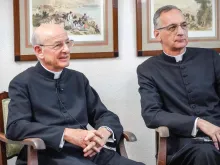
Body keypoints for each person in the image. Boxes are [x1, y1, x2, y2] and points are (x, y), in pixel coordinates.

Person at [6, 24, 144, 165]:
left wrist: (103, 132)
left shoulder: (78, 79)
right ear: (39, 50)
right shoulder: (22, 83)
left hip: (88, 151)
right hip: (48, 156)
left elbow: (104, 115)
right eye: (58, 45)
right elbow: (16, 126)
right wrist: (66, 133)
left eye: (67, 43)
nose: (66, 49)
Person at [137, 5, 220, 165]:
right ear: (157, 35)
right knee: (205, 153)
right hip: (183, 145)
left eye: (183, 25)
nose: (180, 32)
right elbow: (151, 114)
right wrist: (199, 123)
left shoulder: (210, 57)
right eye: (172, 27)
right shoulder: (148, 70)